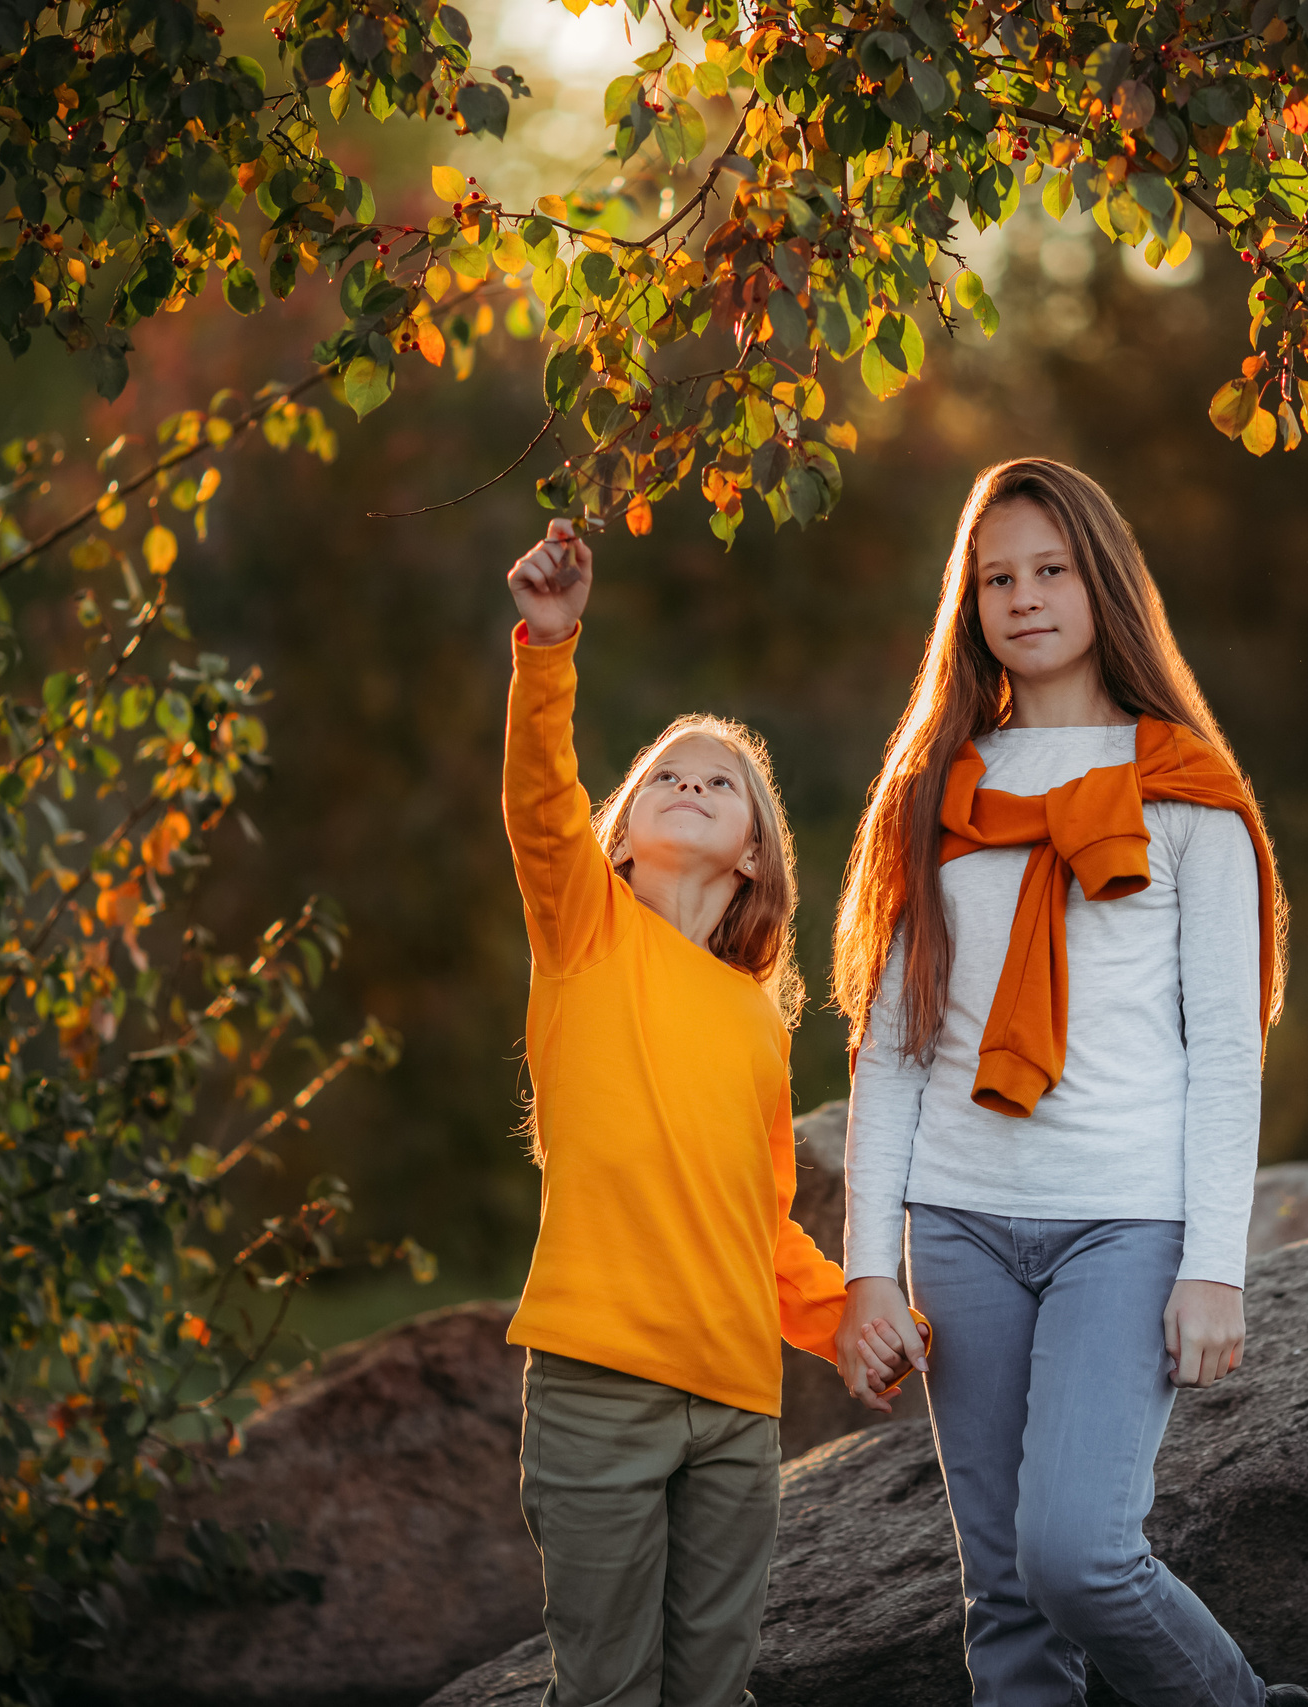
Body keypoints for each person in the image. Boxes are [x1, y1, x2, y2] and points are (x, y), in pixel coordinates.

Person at [831, 461, 1308, 1707]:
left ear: (1103, 582)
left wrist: (1216, 1262)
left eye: (1050, 569)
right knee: (1002, 1598)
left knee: (1079, 1557)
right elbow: (891, 1049)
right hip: (958, 1225)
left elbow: (1225, 1048)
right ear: (969, 602)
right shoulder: (938, 794)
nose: (1024, 596)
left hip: (1125, 1224)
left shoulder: (1187, 794)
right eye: (996, 576)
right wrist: (867, 1271)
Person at [500, 517, 921, 1707]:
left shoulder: (756, 1021)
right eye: (664, 776)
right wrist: (548, 645)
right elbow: (539, 802)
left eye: (718, 781)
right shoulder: (583, 934)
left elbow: (763, 1214)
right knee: (610, 1694)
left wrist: (844, 1319)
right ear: (620, 839)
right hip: (597, 1385)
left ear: (753, 856)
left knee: (714, 1692)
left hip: (736, 1405)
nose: (688, 783)